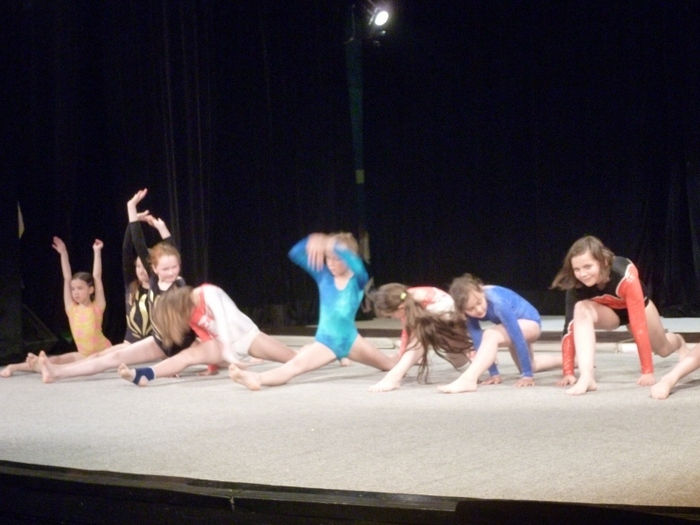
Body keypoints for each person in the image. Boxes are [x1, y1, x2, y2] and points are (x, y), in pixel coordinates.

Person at [38, 190, 196, 383]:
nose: (171, 272)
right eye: (165, 269)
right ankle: (56, 372)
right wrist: (131, 208)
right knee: (111, 358)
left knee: (214, 353)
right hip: (160, 340)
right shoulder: (154, 280)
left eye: (174, 268)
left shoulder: (178, 283)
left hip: (181, 342)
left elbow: (173, 252)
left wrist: (163, 229)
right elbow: (137, 244)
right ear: (154, 268)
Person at [228, 232, 399, 390]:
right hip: (326, 342)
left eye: (336, 259)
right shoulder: (324, 276)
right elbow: (295, 253)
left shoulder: (358, 279)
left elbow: (357, 265)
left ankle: (408, 354)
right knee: (294, 366)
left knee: (389, 365)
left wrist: (332, 245)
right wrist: (314, 240)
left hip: (352, 340)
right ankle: (255, 378)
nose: (331, 263)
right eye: (328, 258)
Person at [551, 235, 688, 396]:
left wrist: (647, 371)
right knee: (581, 309)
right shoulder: (576, 285)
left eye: (588, 267)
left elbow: (638, 324)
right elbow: (569, 327)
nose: (583, 274)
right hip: (610, 313)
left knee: (663, 349)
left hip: (639, 308)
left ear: (603, 262)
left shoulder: (624, 274)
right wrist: (568, 371)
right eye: (577, 269)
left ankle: (678, 341)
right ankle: (587, 377)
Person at [117, 284, 297, 385]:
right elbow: (206, 337)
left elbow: (223, 323)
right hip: (221, 346)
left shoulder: (207, 292)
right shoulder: (188, 315)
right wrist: (212, 365)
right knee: (187, 355)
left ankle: (316, 352)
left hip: (247, 337)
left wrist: (231, 357)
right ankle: (145, 374)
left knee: (294, 359)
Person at [1, 236, 112, 377]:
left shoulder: (97, 306)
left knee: (71, 366)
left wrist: (97, 252)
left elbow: (97, 277)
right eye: (73, 289)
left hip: (104, 353)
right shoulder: (71, 309)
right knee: (55, 360)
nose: (75, 292)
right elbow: (67, 277)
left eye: (80, 288)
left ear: (91, 290)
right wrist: (63, 253)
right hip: (83, 355)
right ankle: (14, 367)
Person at [437, 273, 562, 393]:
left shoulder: (498, 302)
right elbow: (478, 341)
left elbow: (518, 337)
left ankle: (468, 380)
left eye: (479, 302)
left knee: (490, 334)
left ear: (481, 291)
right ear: (462, 309)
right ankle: (569, 361)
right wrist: (494, 374)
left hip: (530, 323)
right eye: (471, 309)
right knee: (532, 365)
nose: (478, 310)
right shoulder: (469, 308)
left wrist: (527, 375)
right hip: (513, 326)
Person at [368, 283, 473, 392]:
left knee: (421, 340)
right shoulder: (404, 298)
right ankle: (471, 371)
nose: (393, 318)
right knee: (454, 355)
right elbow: (406, 334)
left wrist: (399, 367)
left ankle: (393, 377)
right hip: (446, 325)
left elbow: (416, 338)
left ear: (400, 308)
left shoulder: (435, 305)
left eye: (392, 315)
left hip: (449, 319)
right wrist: (401, 357)